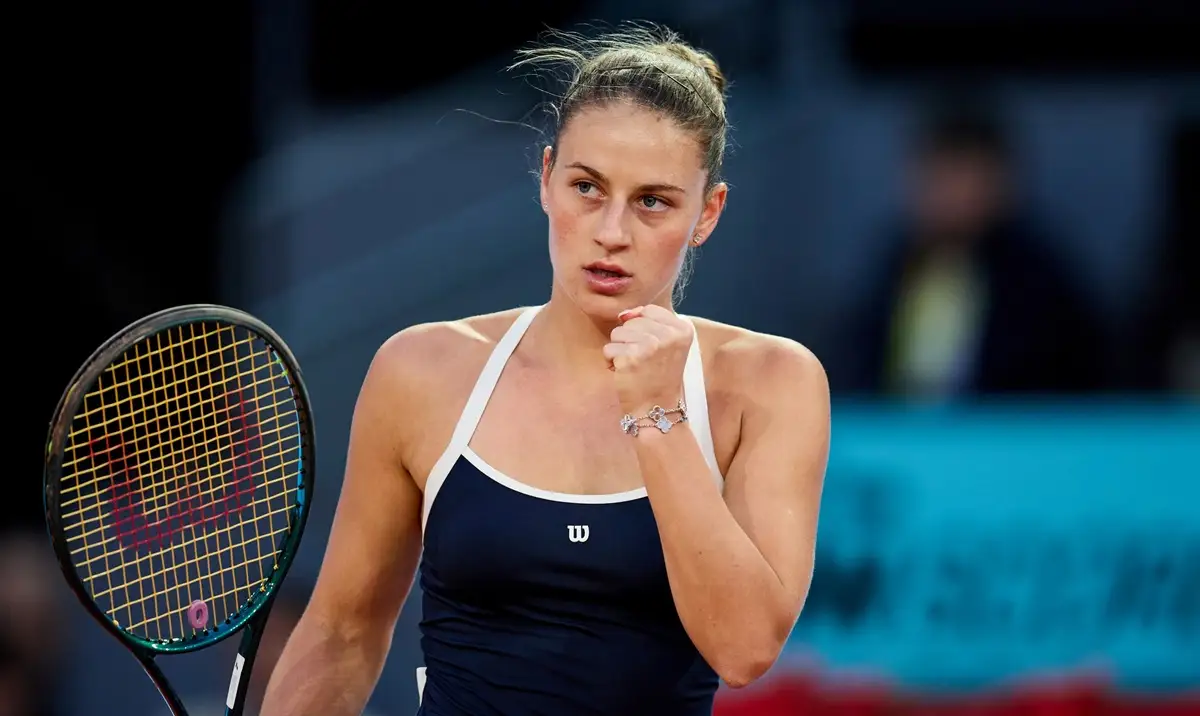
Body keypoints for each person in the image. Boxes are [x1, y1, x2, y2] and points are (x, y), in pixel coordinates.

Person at [261, 23, 829, 716]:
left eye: (652, 201)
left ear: (707, 212)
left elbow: (744, 650)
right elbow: (342, 635)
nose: (611, 232)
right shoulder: (419, 370)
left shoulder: (771, 382)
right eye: (587, 187)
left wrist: (658, 415)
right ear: (546, 178)